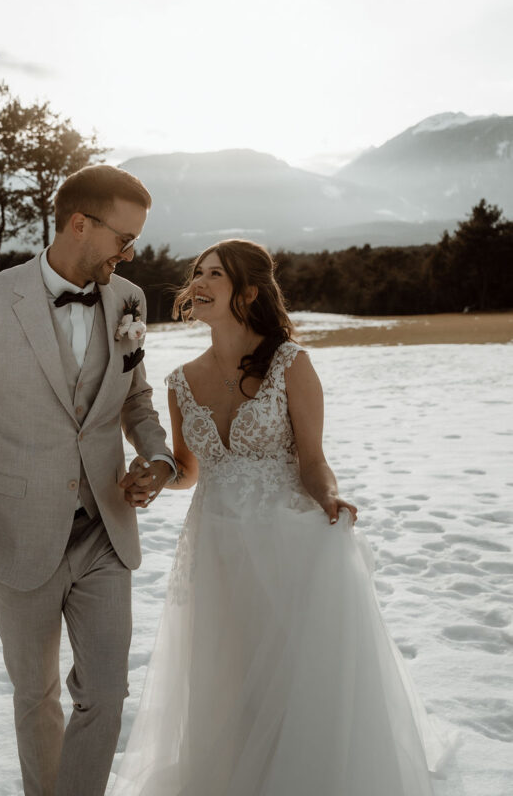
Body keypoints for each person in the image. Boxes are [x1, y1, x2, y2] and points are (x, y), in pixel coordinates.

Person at [113, 239, 453, 796]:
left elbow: (314, 461)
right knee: (228, 680)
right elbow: (191, 470)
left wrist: (329, 499)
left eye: (214, 274)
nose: (197, 283)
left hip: (287, 548)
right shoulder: (179, 381)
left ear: (247, 292)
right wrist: (158, 476)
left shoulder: (290, 362)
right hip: (215, 551)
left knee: (293, 683)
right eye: (196, 272)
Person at [0, 164, 178, 796]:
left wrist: (159, 459)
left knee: (107, 694)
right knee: (36, 696)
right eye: (124, 238)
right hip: (13, 531)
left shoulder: (128, 300)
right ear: (79, 224)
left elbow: (135, 399)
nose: (131, 253)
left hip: (106, 530)